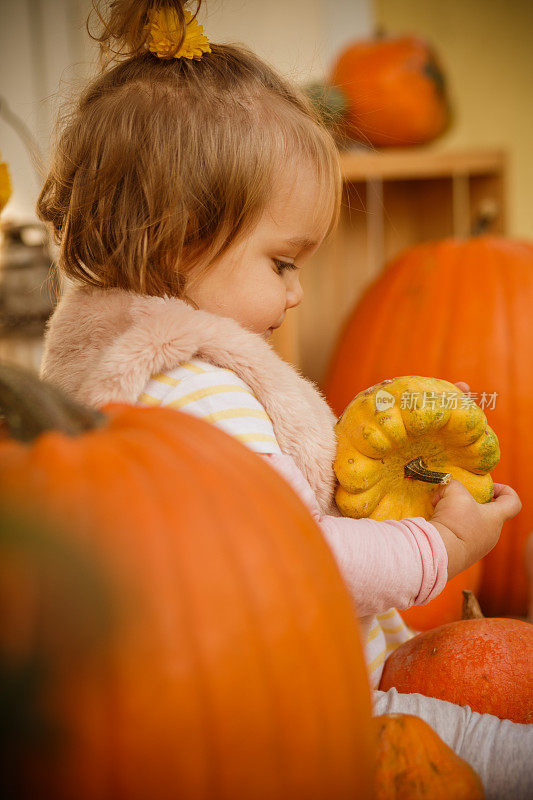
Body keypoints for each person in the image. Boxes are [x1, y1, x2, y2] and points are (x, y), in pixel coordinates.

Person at [37, 2, 532, 796]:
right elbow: (300, 560)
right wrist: (443, 547)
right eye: (283, 263)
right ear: (179, 238)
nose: (296, 294)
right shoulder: (192, 396)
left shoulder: (130, 377)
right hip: (329, 720)